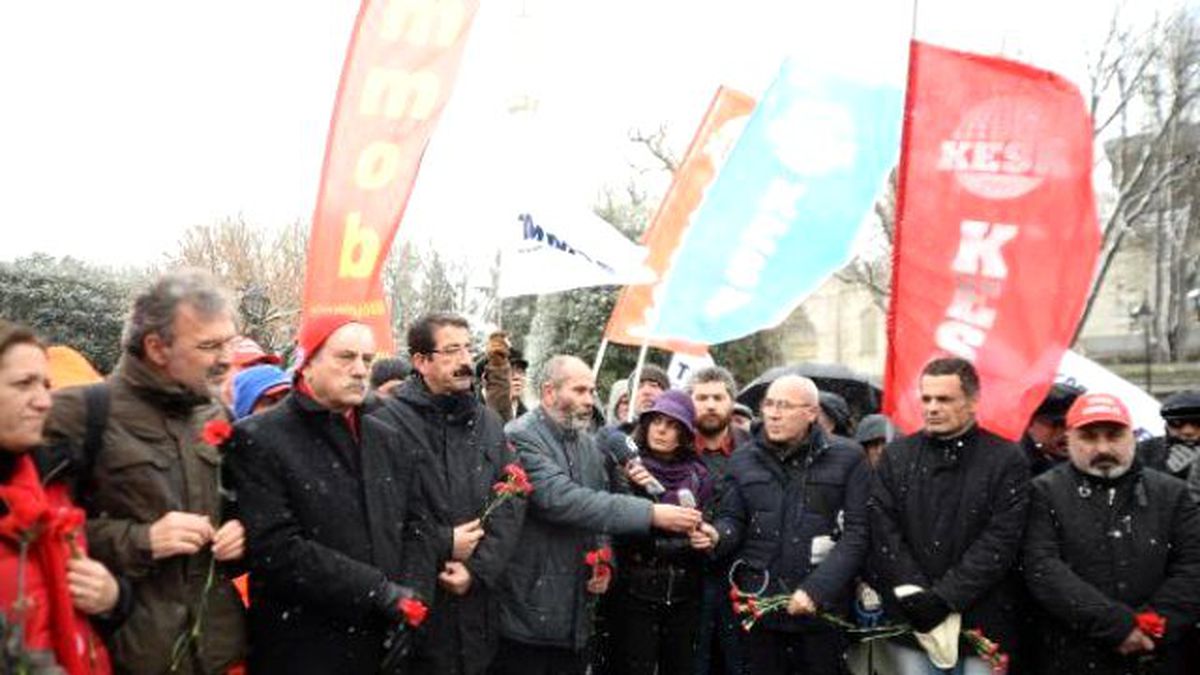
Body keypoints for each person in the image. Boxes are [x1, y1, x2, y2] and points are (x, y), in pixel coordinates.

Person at [42, 270, 247, 674]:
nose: (226, 359)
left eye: (229, 342)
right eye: (208, 345)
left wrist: (243, 532)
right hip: (128, 654)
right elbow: (33, 535)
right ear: (156, 347)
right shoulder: (77, 413)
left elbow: (242, 506)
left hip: (221, 652)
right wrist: (142, 539)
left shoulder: (217, 413)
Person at [225, 315, 428, 673]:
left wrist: (411, 602)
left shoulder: (387, 437)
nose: (360, 370)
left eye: (367, 359)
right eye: (345, 357)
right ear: (307, 363)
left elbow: (416, 526)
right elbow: (277, 549)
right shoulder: (259, 437)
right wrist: (379, 592)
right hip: (303, 647)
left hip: (382, 643)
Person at [491, 355, 703, 675]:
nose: (590, 400)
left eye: (592, 391)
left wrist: (604, 559)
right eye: (579, 390)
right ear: (549, 392)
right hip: (528, 608)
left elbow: (600, 513)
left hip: (576, 611)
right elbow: (561, 500)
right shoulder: (520, 435)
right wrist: (650, 513)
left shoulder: (589, 446)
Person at [379, 313, 525, 675]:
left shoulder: (488, 422)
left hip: (477, 613)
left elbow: (514, 496)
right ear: (421, 361)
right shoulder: (386, 421)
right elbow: (382, 514)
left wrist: (477, 570)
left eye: (467, 349)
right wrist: (442, 542)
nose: (465, 361)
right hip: (417, 604)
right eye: (451, 351)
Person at [869, 357, 1029, 675]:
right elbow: (884, 530)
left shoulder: (1006, 459)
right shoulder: (897, 457)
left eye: (944, 399)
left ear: (973, 401)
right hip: (912, 621)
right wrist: (915, 593)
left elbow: (1001, 539)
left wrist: (945, 598)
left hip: (982, 620)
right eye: (926, 398)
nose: (932, 408)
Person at [1023, 392, 1200, 674]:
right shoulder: (1043, 493)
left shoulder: (1171, 494)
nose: (1103, 448)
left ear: (1132, 437)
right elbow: (1042, 568)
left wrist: (1152, 625)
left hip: (1159, 656)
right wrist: (1116, 626)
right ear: (1069, 439)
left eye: (1114, 436)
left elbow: (1192, 566)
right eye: (1089, 437)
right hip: (1073, 655)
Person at [707, 375, 869, 675]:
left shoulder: (848, 457)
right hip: (759, 608)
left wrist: (817, 590)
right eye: (768, 404)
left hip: (821, 614)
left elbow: (857, 534)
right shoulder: (743, 459)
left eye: (784, 405)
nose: (773, 413)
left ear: (811, 412)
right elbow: (733, 519)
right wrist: (717, 535)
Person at [1, 321, 121, 674]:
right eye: (24, 384)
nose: (43, 402)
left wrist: (112, 597)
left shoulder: (55, 481)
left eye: (46, 385)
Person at [608, 390, 713, 675]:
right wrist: (646, 502)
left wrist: (704, 536)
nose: (662, 430)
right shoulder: (627, 467)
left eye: (672, 424)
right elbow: (620, 526)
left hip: (684, 595)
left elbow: (707, 526)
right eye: (656, 421)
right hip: (634, 591)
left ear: (684, 434)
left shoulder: (698, 475)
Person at [687, 366, 751, 675]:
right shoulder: (673, 447)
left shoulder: (755, 449)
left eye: (718, 397)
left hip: (739, 580)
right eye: (702, 398)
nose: (710, 405)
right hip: (687, 580)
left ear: (731, 402)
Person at [1022, 382, 1084, 477]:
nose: (1066, 433)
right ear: (1030, 423)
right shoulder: (1015, 462)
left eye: (1075, 424)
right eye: (1057, 425)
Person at [1141, 390, 1200, 482]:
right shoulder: (1144, 451)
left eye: (1197, 423)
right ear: (1167, 425)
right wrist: (1166, 474)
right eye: (1177, 423)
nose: (1188, 431)